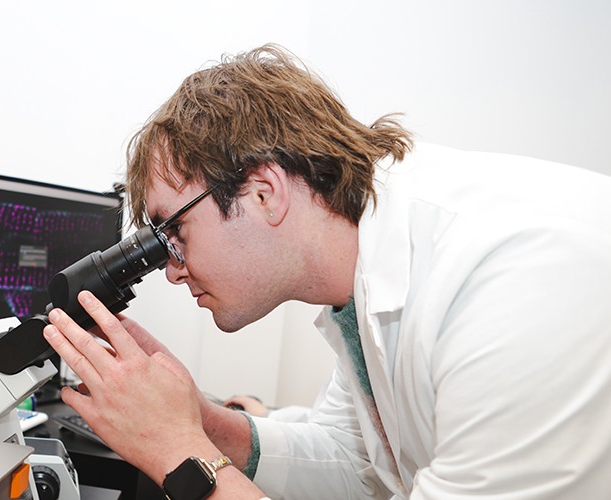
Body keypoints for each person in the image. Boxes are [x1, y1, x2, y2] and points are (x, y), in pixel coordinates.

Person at [41, 44, 611, 499]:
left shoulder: (507, 283)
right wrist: (200, 419)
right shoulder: (367, 281)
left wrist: (178, 450)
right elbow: (353, 463)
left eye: (174, 236)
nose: (169, 270)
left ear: (264, 192)